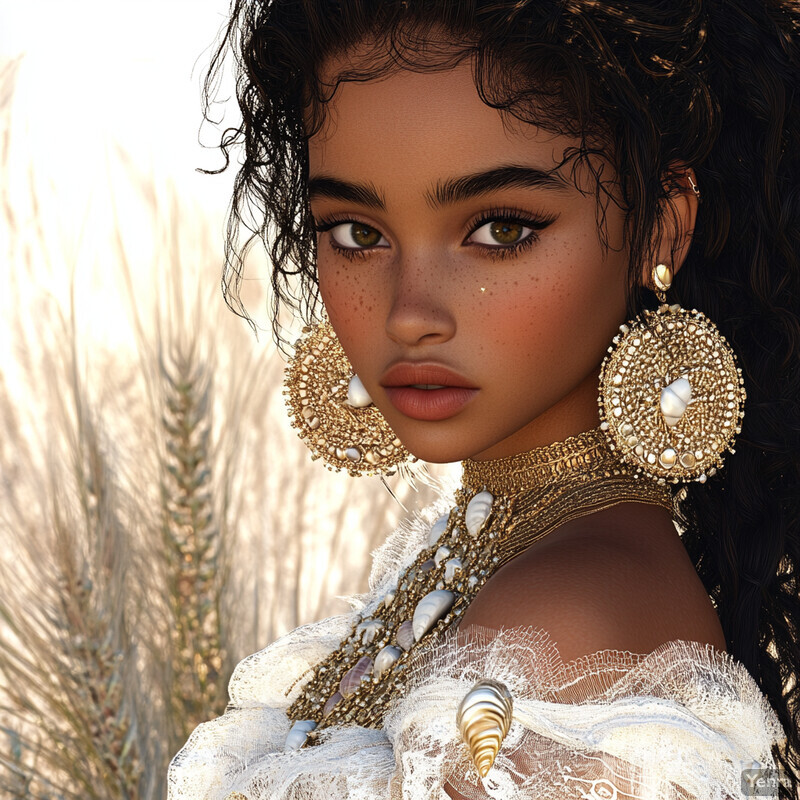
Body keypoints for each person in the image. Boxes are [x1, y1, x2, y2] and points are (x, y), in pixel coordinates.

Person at [168, 1, 800, 797]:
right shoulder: (505, 547)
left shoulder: (565, 617)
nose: (409, 313)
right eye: (359, 233)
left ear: (661, 231)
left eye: (501, 228)